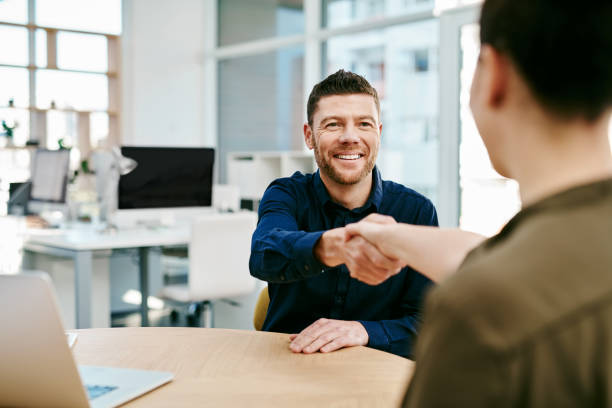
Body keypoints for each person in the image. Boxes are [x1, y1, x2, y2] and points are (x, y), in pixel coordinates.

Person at [347, 0, 612, 405]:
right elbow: (502, 256)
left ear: (493, 74)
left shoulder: (479, 315)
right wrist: (391, 235)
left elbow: (502, 276)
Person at [249, 70, 438, 358]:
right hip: (285, 365)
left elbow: (427, 324)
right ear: (309, 136)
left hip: (372, 376)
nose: (350, 137)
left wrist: (363, 331)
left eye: (364, 124)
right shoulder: (286, 194)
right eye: (333, 125)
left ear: (379, 133)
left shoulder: (416, 211)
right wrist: (335, 246)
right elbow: (264, 256)